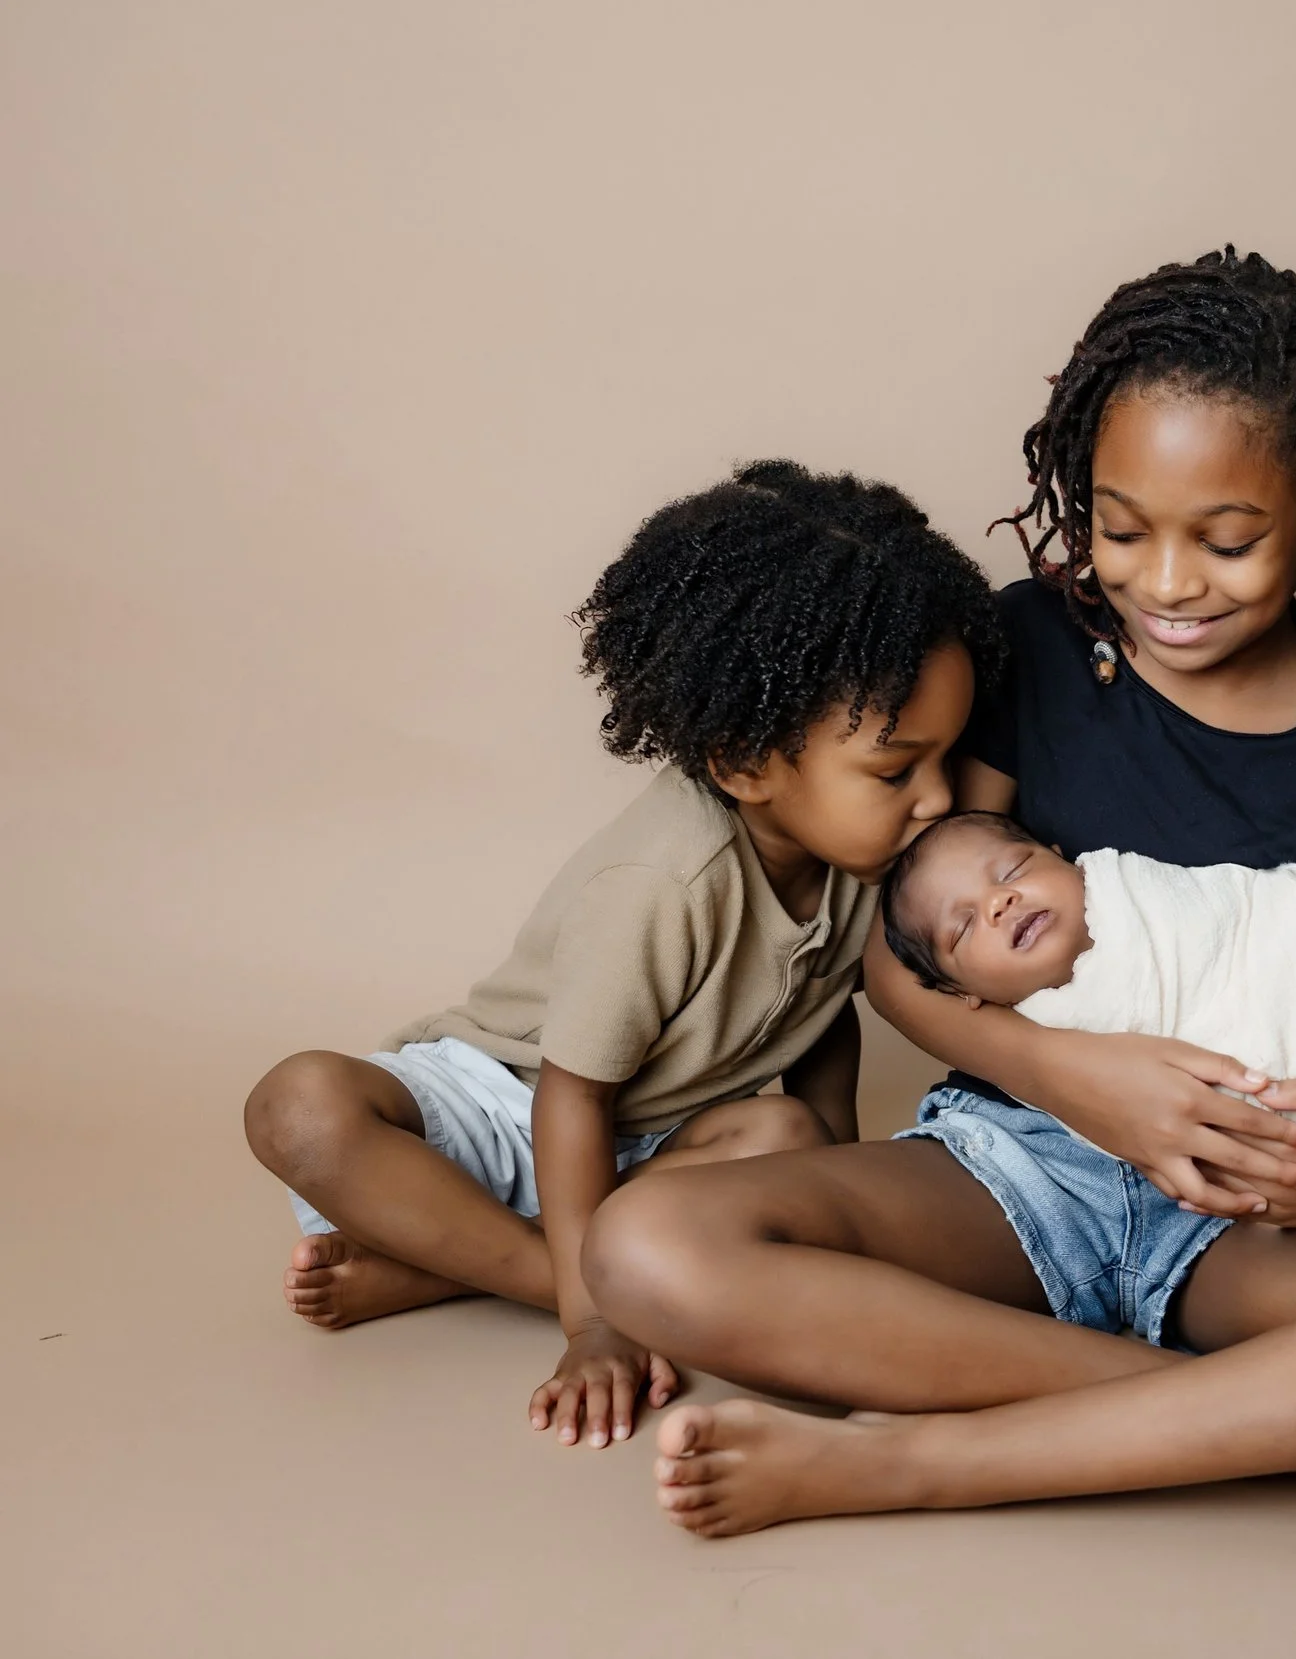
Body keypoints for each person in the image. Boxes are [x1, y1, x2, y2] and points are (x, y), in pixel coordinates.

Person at [583, 247, 1296, 1540]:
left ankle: (908, 1459)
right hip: (1014, 1169)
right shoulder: (1029, 648)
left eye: (1228, 537)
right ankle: (1287, 1430)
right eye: (1120, 527)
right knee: (648, 1247)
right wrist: (1080, 1081)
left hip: (1260, 1215)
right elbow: (904, 942)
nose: (1167, 581)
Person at [241, 461, 1001, 1452]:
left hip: (657, 1150)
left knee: (790, 1139)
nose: (937, 798)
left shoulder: (864, 856)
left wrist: (831, 1189)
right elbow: (571, 1095)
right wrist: (593, 1320)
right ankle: (564, 1276)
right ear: (744, 762)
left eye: (946, 759)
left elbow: (821, 1027)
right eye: (898, 769)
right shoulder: (666, 880)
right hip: (509, 1109)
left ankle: (442, 1268)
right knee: (298, 1103)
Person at [877, 811, 1296, 1144]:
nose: (1000, 902)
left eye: (1012, 869)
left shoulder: (1136, 892)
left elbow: (1235, 920)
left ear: (1064, 858)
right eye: (963, 929)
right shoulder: (1041, 1037)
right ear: (964, 995)